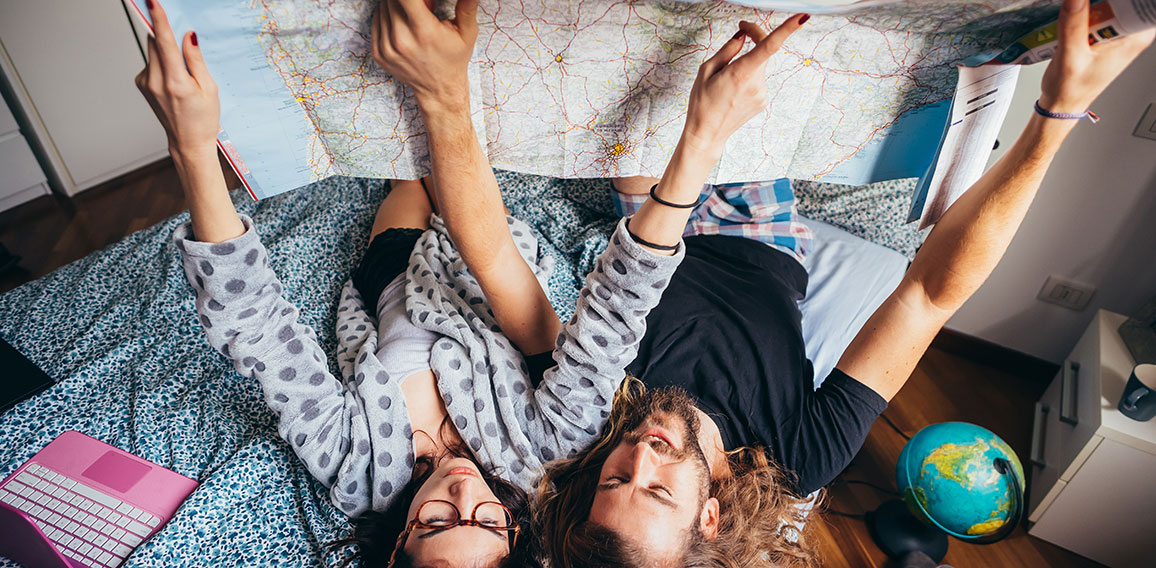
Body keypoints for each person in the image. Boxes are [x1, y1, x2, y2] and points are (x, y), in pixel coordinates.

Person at [133, 0, 766, 565]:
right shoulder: (549, 451)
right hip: (485, 262)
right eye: (486, 521)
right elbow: (617, 307)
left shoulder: (357, 471)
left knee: (400, 150)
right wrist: (701, 139)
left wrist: (192, 146)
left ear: (399, 545)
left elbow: (258, 333)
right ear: (515, 536)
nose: (463, 490)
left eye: (437, 522)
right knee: (444, 102)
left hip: (393, 271)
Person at [533, 0, 1156, 566]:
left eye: (613, 481)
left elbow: (627, 263)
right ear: (711, 515)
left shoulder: (596, 416)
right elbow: (926, 296)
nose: (640, 452)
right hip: (753, 241)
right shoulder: (798, 456)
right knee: (768, 45)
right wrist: (1055, 117)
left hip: (649, 231)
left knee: (646, 72)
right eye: (660, 489)